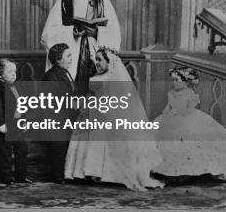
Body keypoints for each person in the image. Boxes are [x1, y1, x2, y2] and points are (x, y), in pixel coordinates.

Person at [64, 47, 164, 191]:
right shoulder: (96, 76)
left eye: (100, 60)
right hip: (90, 112)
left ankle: (105, 174)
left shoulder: (113, 78)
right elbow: (91, 94)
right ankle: (87, 172)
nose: (96, 62)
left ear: (109, 61)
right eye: (95, 59)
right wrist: (82, 105)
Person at [152, 66, 226, 181]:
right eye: (172, 80)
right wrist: (165, 115)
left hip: (187, 119)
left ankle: (189, 171)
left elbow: (188, 109)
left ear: (186, 82)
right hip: (173, 117)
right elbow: (168, 108)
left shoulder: (189, 94)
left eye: (176, 80)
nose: (173, 83)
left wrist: (179, 112)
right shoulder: (171, 93)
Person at [40, 0, 120, 95]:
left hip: (95, 55)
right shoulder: (63, 3)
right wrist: (71, 32)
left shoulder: (104, 4)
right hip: (73, 54)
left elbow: (115, 35)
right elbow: (47, 35)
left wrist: (97, 33)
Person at [0, 59, 30, 185]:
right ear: (0, 75)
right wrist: (1, 124)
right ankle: (7, 177)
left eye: (15, 71)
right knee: (4, 152)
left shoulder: (15, 87)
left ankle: (21, 176)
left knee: (22, 149)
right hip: (4, 126)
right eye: (10, 72)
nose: (14, 74)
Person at [41, 43, 78, 184]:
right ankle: (57, 176)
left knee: (65, 146)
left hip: (66, 116)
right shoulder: (50, 77)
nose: (71, 59)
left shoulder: (65, 72)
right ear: (57, 59)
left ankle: (66, 173)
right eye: (68, 56)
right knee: (58, 147)